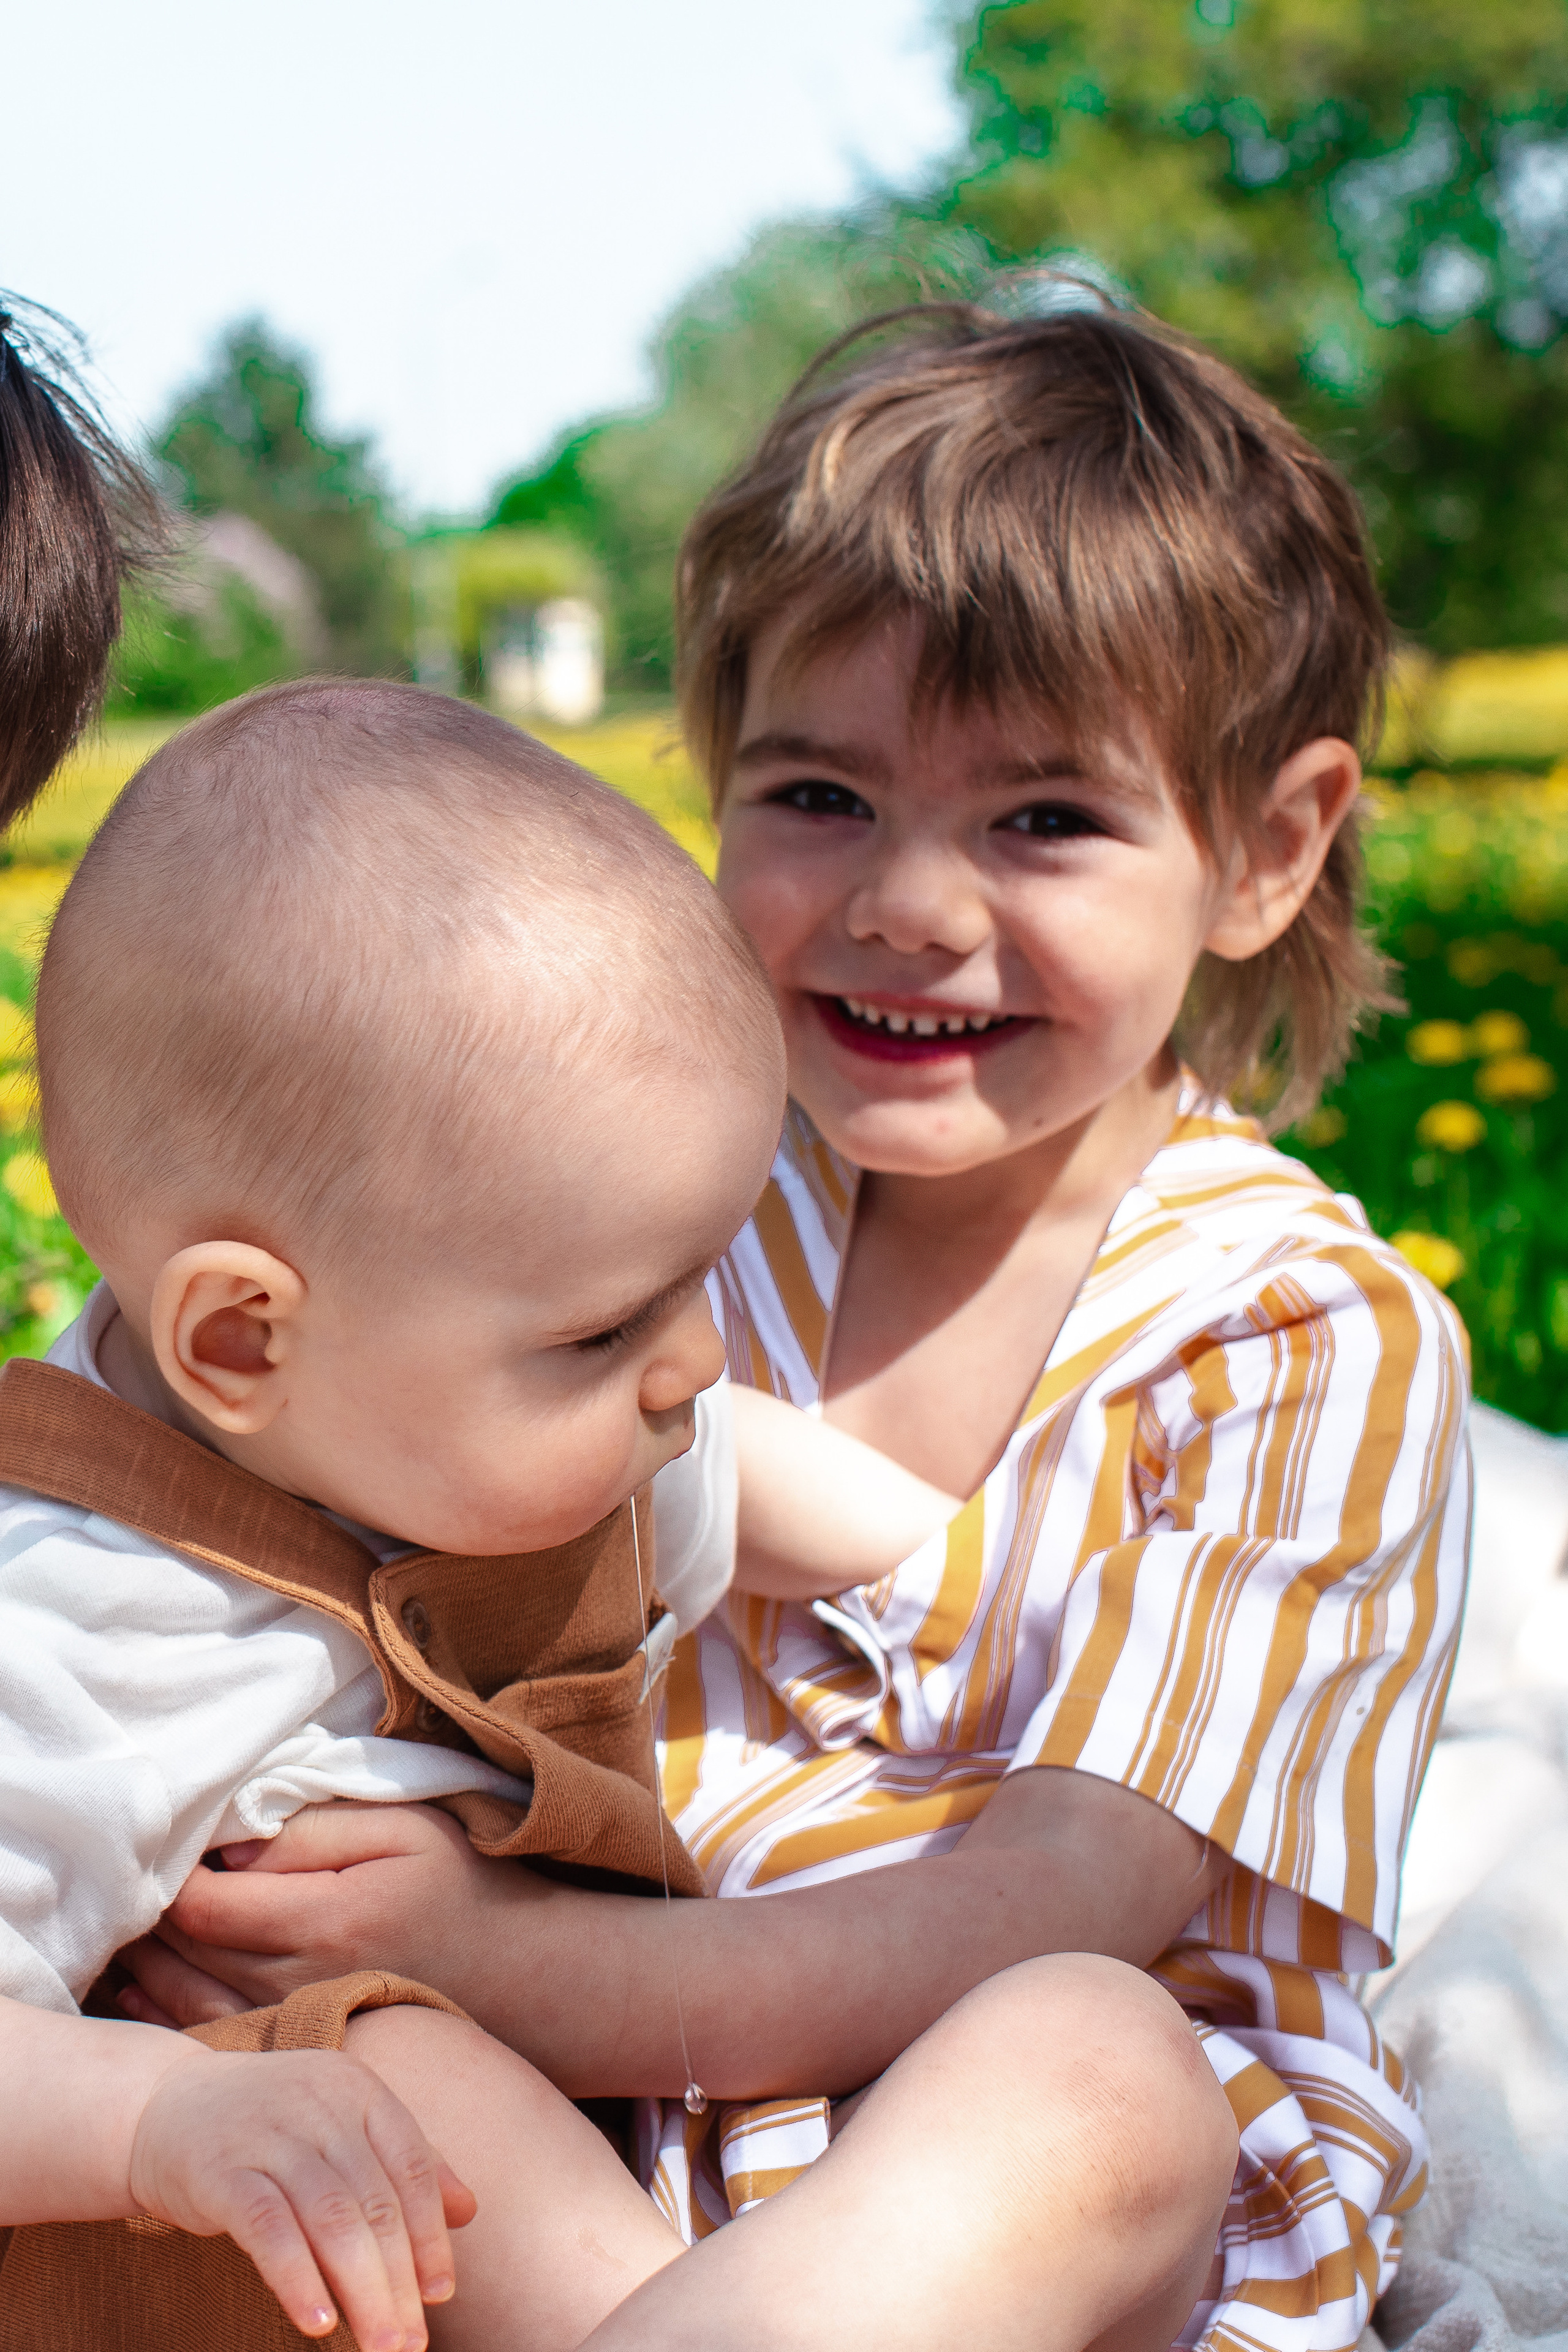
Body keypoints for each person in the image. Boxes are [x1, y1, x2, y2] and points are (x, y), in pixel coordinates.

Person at [137, 300, 1470, 2352]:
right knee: (315, 2057)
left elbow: (1059, 1897)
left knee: (1090, 2058)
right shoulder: (642, 1217)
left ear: (1266, 852)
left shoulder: (1300, 1335)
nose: (912, 904)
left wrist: (502, 1955)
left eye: (1043, 820)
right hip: (613, 2170)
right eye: (820, 796)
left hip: (1039, 2203)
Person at [1, 675, 1173, 2352]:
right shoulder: (71, 1624)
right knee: (381, 2058)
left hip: (622, 2217)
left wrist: (973, 1563)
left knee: (1103, 2058)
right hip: (285, 2247)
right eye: (602, 1330)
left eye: (701, 1275)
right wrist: (149, 2121)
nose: (692, 1360)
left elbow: (757, 1477)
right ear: (244, 1339)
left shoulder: (538, 1433)